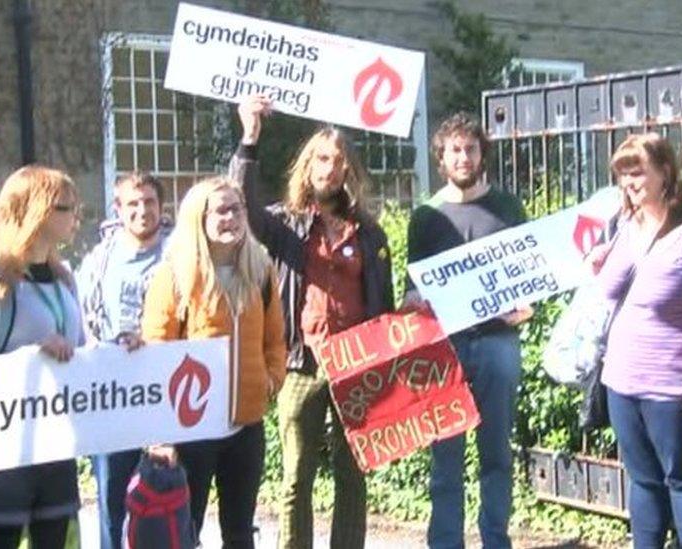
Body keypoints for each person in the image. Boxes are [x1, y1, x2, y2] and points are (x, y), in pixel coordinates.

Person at [231, 95, 394, 549]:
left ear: (347, 170)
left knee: (353, 472)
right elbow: (241, 202)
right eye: (321, 158)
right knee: (296, 474)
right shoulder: (286, 226)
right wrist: (249, 139)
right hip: (301, 364)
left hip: (356, 363)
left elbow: (384, 299)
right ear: (307, 166)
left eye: (338, 160)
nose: (329, 167)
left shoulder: (370, 233)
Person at [591, 133, 682, 548]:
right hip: (620, 381)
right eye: (622, 175)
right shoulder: (621, 227)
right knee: (644, 480)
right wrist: (596, 263)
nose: (629, 183)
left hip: (670, 386)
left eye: (638, 173)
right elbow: (607, 292)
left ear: (666, 172)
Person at [404, 112, 532, 549]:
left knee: (496, 452)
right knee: (445, 459)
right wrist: (412, 303)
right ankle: (445, 543)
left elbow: (530, 272)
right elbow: (413, 286)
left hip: (499, 342)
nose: (463, 157)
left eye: (470, 149)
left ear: (483, 154)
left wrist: (528, 305)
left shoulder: (509, 207)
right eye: (454, 150)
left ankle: (495, 539)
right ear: (441, 158)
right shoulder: (425, 217)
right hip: (445, 349)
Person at [141, 176, 287, 548]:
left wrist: (271, 379)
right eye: (221, 211)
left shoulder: (261, 269)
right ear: (198, 218)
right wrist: (161, 432)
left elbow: (275, 339)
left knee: (240, 530)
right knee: (185, 527)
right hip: (192, 427)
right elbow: (156, 350)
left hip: (246, 425)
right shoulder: (174, 274)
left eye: (237, 209)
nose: (231, 218)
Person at [0, 165, 84, 548]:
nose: (76, 216)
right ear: (35, 211)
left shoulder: (64, 279)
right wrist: (30, 356)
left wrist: (121, 349)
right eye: (65, 207)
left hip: (55, 448)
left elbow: (81, 352)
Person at [76, 171, 172, 549]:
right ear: (118, 209)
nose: (142, 210)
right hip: (112, 396)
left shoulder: (179, 255)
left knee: (165, 502)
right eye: (132, 203)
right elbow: (82, 321)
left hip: (163, 394)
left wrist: (152, 339)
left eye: (149, 201)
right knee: (112, 506)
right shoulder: (98, 261)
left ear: (161, 207)